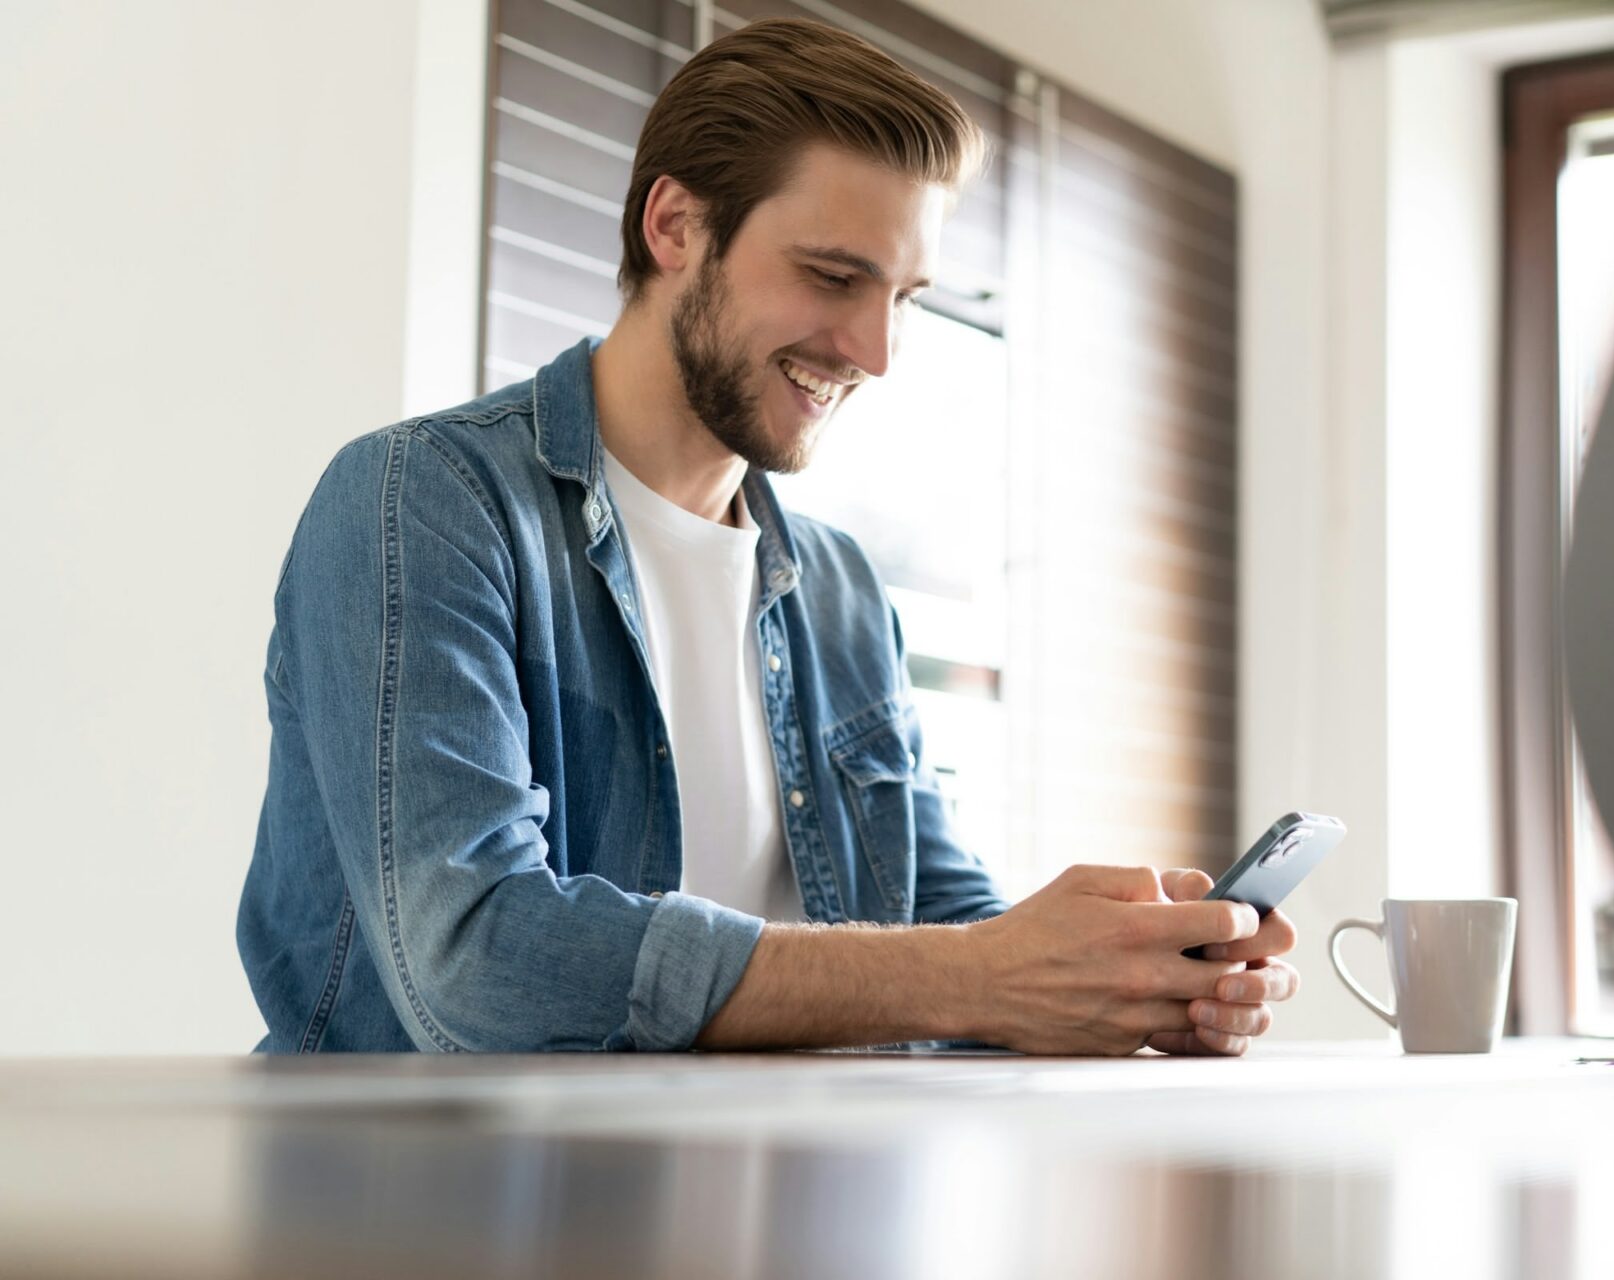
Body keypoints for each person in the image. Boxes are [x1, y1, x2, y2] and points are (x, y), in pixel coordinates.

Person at [236, 17, 1296, 1056]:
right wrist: (986, 973)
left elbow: (946, 920)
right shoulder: (422, 502)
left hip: (776, 1215)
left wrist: (1125, 974)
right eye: (834, 278)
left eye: (904, 297)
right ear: (675, 227)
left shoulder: (836, 586)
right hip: (438, 1219)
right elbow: (472, 959)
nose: (875, 352)